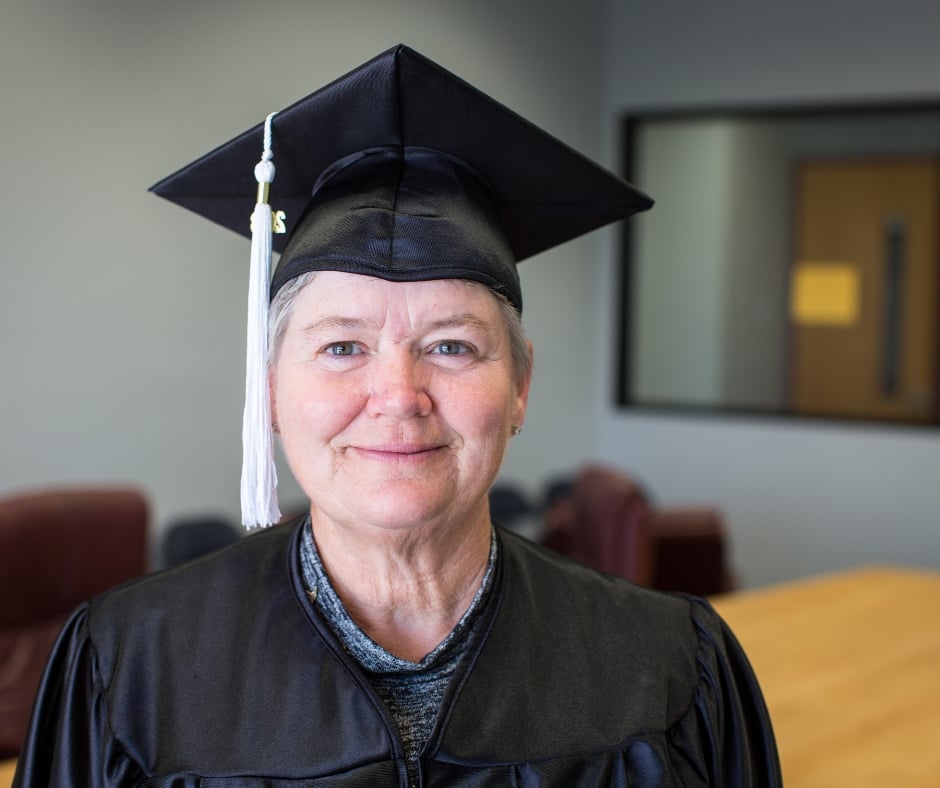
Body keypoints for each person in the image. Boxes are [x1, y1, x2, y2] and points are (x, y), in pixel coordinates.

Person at [14, 45, 781, 787]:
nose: (399, 394)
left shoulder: (671, 670)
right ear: (272, 390)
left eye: (451, 346)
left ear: (519, 386)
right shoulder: (126, 672)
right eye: (344, 346)